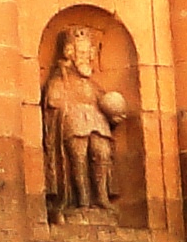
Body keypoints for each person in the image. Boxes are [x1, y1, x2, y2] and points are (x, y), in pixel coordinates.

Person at [40, 25, 127, 218]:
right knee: (78, 156)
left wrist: (114, 115)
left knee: (102, 153)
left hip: (97, 122)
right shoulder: (60, 80)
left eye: (89, 53)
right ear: (70, 53)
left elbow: (106, 105)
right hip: (74, 121)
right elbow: (53, 101)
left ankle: (101, 197)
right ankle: (83, 200)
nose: (87, 57)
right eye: (82, 52)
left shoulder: (94, 86)